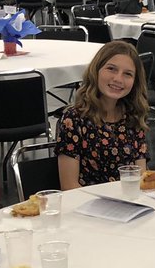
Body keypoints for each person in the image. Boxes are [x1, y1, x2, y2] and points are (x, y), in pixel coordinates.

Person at [57, 41, 149, 189]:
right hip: (87, 205)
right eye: (111, 69)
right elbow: (69, 186)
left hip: (128, 202)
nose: (118, 79)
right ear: (96, 71)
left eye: (128, 74)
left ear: (135, 82)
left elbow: (140, 178)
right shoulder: (74, 119)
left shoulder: (133, 117)